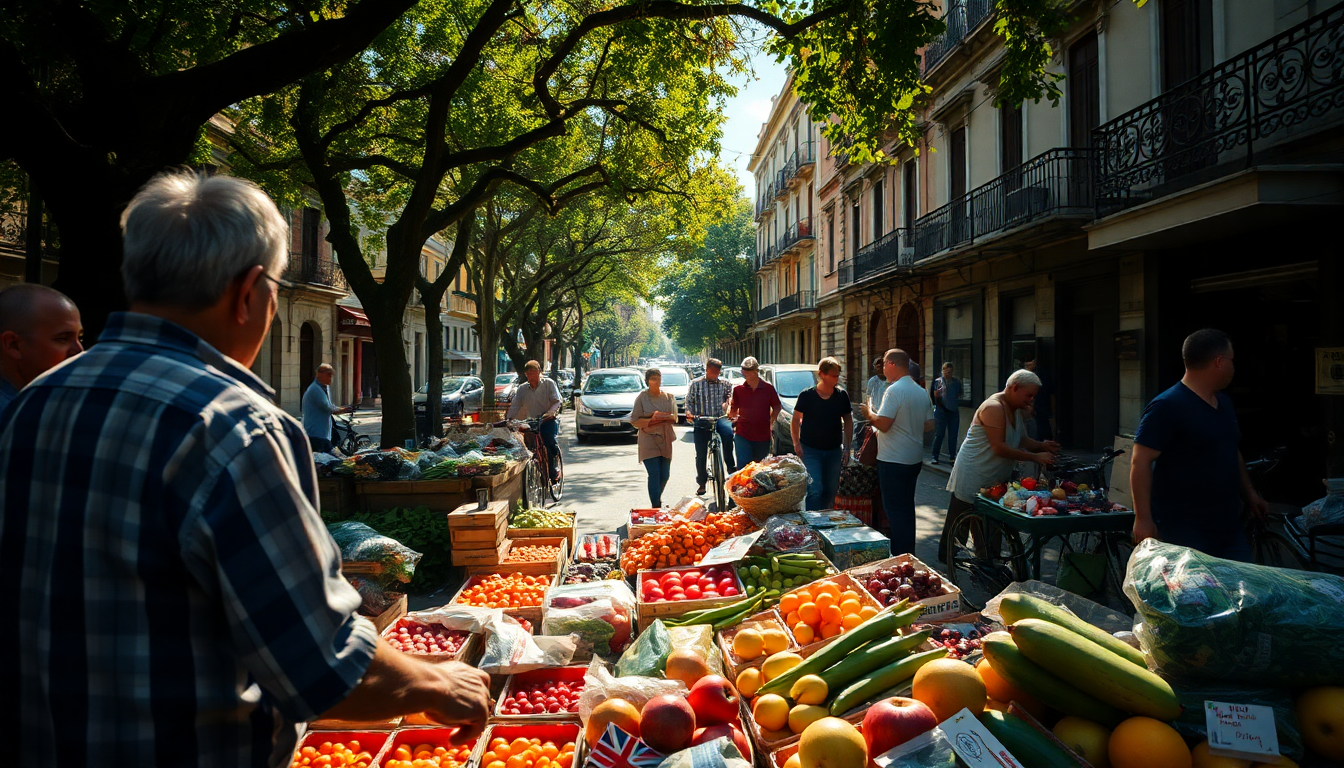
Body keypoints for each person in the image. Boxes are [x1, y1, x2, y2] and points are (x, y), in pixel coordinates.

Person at [0, 171, 490, 768]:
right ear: (250, 292)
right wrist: (437, 685)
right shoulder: (234, 427)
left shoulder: (30, 404)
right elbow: (317, 661)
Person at [1130, 329, 1266, 561]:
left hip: (1228, 526)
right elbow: (1139, 461)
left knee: (1240, 592)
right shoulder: (1167, 405)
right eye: (1232, 360)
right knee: (1195, 595)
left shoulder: (1224, 403)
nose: (1234, 367)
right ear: (1219, 362)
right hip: (1184, 530)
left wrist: (1250, 493)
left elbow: (1232, 450)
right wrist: (1143, 518)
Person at [941, 369, 1060, 560]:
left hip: (995, 475)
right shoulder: (994, 408)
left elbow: (1020, 438)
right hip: (974, 472)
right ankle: (948, 562)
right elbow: (999, 447)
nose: (1031, 400)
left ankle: (986, 562)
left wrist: (1041, 446)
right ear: (1014, 388)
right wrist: (1035, 458)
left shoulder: (1016, 409)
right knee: (960, 520)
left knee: (989, 524)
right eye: (1028, 395)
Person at [862, 349, 934, 556]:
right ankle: (908, 552)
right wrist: (908, 427)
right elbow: (929, 425)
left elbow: (883, 424)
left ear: (892, 364)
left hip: (893, 459)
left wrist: (869, 413)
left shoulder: (894, 390)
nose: (883, 368)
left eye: (884, 364)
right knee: (906, 508)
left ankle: (901, 555)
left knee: (894, 510)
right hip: (913, 459)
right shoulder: (920, 391)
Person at [0, 283, 84, 413]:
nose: (79, 351)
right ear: (14, 346)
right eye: (63, 339)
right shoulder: (12, 417)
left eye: (80, 338)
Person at [791, 357, 853, 510]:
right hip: (810, 450)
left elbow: (849, 421)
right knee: (815, 488)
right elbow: (795, 420)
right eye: (833, 375)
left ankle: (826, 522)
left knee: (831, 490)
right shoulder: (807, 395)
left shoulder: (841, 396)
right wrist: (796, 443)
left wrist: (847, 447)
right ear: (822, 374)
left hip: (833, 451)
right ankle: (813, 524)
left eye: (838, 375)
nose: (837, 379)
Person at [506, 359, 563, 482]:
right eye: (529, 374)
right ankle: (536, 467)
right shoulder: (522, 389)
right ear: (526, 375)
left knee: (548, 440)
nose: (532, 376)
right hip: (531, 420)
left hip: (548, 419)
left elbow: (556, 401)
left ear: (539, 372)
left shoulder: (549, 383)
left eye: (534, 373)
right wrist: (509, 419)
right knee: (529, 445)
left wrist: (550, 412)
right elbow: (516, 405)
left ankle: (554, 469)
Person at [685, 357, 736, 495]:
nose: (715, 374)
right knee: (701, 454)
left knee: (728, 436)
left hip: (720, 418)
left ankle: (731, 469)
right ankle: (702, 482)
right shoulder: (696, 384)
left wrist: (728, 403)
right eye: (712, 371)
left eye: (717, 371)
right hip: (702, 419)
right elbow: (689, 402)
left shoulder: (725, 384)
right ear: (706, 370)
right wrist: (689, 413)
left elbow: (730, 397)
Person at [631, 367, 677, 507]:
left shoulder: (668, 397)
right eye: (653, 379)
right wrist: (651, 418)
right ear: (647, 381)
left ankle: (657, 497)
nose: (656, 381)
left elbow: (674, 417)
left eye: (658, 378)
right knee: (654, 474)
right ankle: (655, 506)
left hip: (665, 438)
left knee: (665, 475)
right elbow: (634, 420)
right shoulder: (642, 398)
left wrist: (666, 417)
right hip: (648, 439)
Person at [728, 356, 781, 466]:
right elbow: (734, 409)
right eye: (745, 371)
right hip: (743, 433)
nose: (747, 374)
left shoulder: (768, 388)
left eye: (750, 371)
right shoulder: (738, 390)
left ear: (756, 371)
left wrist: (771, 421)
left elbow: (777, 406)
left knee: (760, 466)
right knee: (743, 465)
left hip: (762, 434)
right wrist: (731, 414)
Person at [303, 363, 353, 453]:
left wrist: (342, 409)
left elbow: (329, 406)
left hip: (324, 433)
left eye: (331, 376)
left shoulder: (324, 388)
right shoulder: (315, 389)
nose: (330, 378)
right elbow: (328, 408)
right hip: (316, 433)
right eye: (328, 375)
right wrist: (343, 410)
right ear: (319, 374)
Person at [931, 362, 962, 465]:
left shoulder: (956, 382)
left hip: (953, 411)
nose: (948, 373)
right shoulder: (938, 382)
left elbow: (959, 394)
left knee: (953, 435)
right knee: (940, 434)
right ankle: (935, 456)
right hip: (941, 411)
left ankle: (952, 457)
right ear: (943, 371)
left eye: (950, 371)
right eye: (946, 371)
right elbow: (934, 395)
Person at [1023, 356, 1056, 440]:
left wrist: (1052, 412)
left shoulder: (1043, 376)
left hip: (1042, 408)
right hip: (1030, 409)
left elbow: (1051, 394)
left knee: (1043, 430)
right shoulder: (1023, 377)